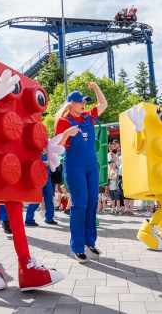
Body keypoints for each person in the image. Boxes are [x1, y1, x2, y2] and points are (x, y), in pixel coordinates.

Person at [54, 82, 108, 262]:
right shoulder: (63, 121)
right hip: (74, 166)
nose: (83, 104)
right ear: (70, 104)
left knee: (93, 202)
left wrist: (96, 88)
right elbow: (57, 146)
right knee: (80, 204)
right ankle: (77, 246)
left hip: (92, 167)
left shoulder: (88, 117)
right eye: (80, 102)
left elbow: (103, 105)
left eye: (84, 102)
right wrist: (67, 133)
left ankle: (89, 241)